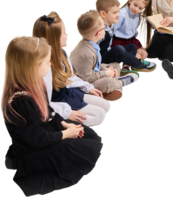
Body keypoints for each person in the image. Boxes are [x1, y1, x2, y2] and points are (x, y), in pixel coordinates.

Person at [1, 36, 104, 196]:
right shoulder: (21, 101)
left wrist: (65, 124)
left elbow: (49, 111)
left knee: (91, 137)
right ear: (31, 67)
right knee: (85, 153)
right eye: (46, 62)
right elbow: (38, 138)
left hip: (45, 131)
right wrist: (66, 134)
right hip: (36, 148)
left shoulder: (35, 85)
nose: (50, 65)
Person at [31, 12, 113, 126]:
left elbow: (69, 77)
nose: (68, 35)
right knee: (100, 116)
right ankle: (61, 124)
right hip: (57, 102)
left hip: (68, 93)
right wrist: (67, 113)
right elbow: (45, 102)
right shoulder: (44, 66)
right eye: (64, 32)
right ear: (54, 38)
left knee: (108, 106)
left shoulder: (63, 53)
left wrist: (87, 88)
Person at [69, 9, 139, 102]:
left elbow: (95, 66)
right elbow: (86, 78)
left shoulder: (91, 42)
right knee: (108, 82)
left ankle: (113, 83)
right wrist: (105, 73)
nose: (105, 29)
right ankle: (119, 83)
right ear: (98, 34)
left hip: (92, 71)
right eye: (103, 27)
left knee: (116, 65)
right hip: (84, 82)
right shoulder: (86, 54)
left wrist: (105, 70)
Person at [94, 0, 157, 74]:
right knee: (118, 49)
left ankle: (126, 66)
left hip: (109, 52)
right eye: (114, 12)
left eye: (117, 12)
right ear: (103, 14)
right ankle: (137, 63)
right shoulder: (101, 30)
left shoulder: (110, 26)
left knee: (132, 46)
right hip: (102, 58)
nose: (118, 14)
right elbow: (94, 47)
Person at [111, 0, 159, 72]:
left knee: (144, 54)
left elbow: (134, 31)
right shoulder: (122, 14)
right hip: (118, 42)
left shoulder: (137, 15)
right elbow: (111, 31)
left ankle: (130, 61)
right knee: (137, 55)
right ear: (130, 0)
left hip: (130, 40)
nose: (136, 9)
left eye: (140, 8)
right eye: (135, 5)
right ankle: (127, 65)